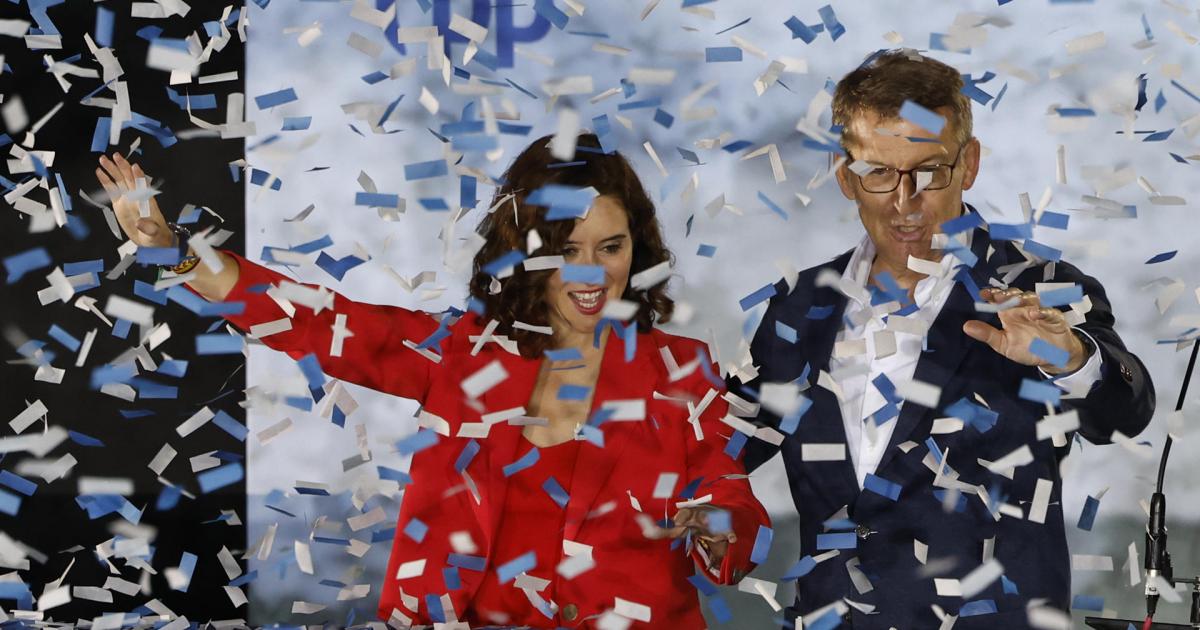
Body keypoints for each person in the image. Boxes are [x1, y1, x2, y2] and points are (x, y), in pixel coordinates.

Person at [96, 133, 768, 628]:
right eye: (567, 250)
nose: (592, 273)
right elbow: (321, 322)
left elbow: (731, 498)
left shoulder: (685, 370)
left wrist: (718, 525)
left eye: (611, 247)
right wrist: (177, 253)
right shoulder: (459, 354)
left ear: (637, 247)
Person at [730, 49, 1155, 629]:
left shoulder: (1041, 288)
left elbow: (1125, 414)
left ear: (968, 164)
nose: (905, 203)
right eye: (878, 172)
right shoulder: (800, 306)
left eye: (929, 171)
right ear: (844, 175)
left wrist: (1068, 357)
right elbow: (723, 448)